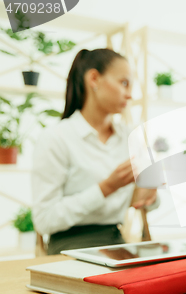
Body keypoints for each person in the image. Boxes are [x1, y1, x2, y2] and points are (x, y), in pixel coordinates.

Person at [32, 48, 159, 255]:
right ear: (94, 79)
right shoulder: (56, 138)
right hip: (69, 248)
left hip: (117, 243)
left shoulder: (130, 137)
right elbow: (45, 220)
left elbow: (142, 203)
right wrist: (107, 187)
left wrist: (149, 190)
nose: (130, 94)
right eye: (124, 83)